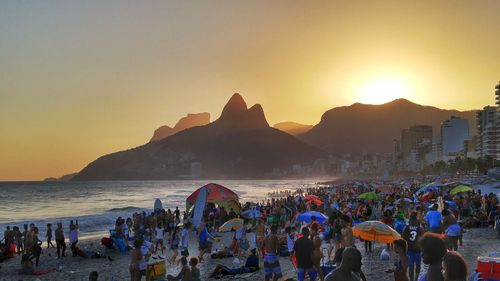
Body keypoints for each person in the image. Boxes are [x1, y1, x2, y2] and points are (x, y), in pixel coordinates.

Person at [403, 212, 424, 281]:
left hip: (409, 249)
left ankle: (412, 280)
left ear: (410, 219)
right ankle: (416, 279)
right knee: (418, 266)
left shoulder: (406, 228)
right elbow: (422, 239)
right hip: (417, 250)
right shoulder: (419, 228)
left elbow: (403, 238)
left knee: (411, 267)